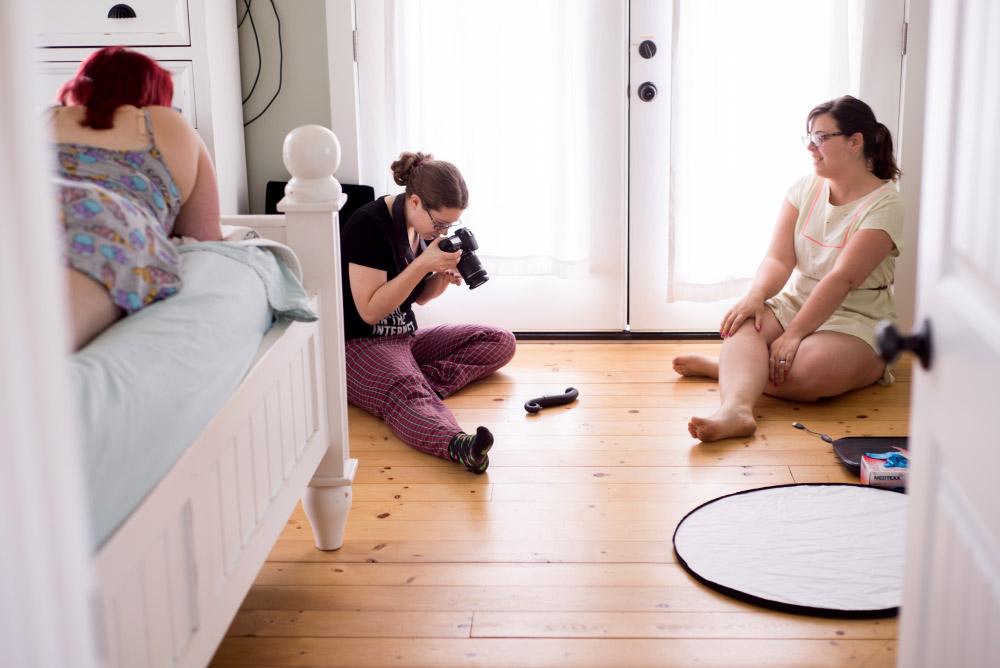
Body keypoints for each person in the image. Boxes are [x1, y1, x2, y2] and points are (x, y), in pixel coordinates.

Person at [673, 95, 903, 442]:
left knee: (810, 371)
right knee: (743, 322)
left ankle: (729, 370)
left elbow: (843, 278)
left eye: (822, 137)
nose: (811, 146)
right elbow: (779, 259)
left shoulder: (886, 203)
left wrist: (794, 334)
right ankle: (736, 409)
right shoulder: (803, 188)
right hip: (799, 300)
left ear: (855, 142)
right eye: (809, 136)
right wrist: (756, 295)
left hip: (858, 316)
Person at [340, 152, 516, 473]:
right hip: (361, 345)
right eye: (441, 223)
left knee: (499, 341)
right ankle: (458, 445)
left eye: (452, 224)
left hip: (405, 339)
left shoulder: (419, 228)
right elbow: (369, 311)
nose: (444, 231)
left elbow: (419, 297)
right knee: (405, 388)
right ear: (417, 202)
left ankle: (421, 390)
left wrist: (443, 277)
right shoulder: (367, 225)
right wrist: (424, 263)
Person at [51, 46, 223, 351]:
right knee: (39, 341)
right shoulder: (167, 122)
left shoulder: (43, 118)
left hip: (27, 202)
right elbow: (204, 239)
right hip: (103, 217)